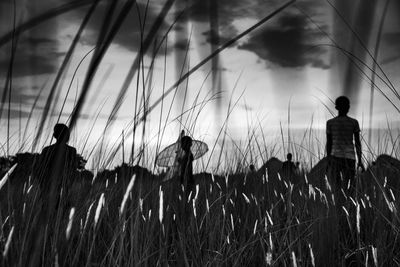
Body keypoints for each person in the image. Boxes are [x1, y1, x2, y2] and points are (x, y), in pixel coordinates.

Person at [326, 96, 364, 197]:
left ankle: (338, 208)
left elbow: (329, 143)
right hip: (350, 158)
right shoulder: (354, 122)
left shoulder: (330, 123)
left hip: (335, 158)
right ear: (348, 107)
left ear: (336, 107)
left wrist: (328, 159)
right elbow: (357, 143)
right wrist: (360, 160)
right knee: (350, 188)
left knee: (336, 188)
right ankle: (349, 208)